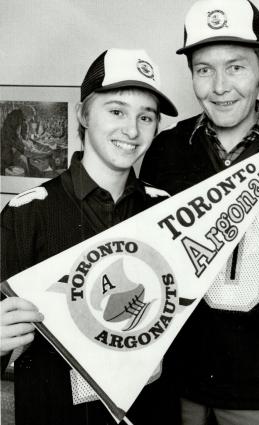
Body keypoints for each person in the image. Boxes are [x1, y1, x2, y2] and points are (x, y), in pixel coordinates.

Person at [140, 1, 259, 424]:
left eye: (236, 67)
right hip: (178, 378)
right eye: (204, 69)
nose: (220, 86)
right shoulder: (165, 151)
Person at [0, 47, 181, 425]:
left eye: (145, 117)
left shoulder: (168, 211)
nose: (131, 130)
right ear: (83, 114)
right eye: (116, 111)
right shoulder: (26, 213)